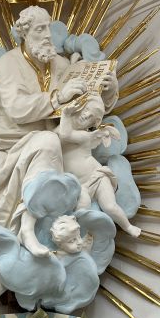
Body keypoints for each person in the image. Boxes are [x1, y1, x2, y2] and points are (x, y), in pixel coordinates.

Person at [0, 5, 118, 255]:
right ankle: (18, 237)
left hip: (50, 140)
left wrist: (108, 91)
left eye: (48, 27)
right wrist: (57, 98)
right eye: (39, 29)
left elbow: (85, 107)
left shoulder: (61, 63)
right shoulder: (9, 62)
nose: (47, 35)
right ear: (25, 34)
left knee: (48, 142)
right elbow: (15, 108)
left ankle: (34, 229)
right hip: (5, 142)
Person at [57, 93, 141, 237]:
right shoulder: (59, 128)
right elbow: (60, 133)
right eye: (86, 110)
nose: (86, 115)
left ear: (93, 124)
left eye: (91, 117)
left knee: (110, 206)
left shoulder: (84, 135)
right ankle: (79, 237)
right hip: (79, 185)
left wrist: (65, 113)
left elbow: (65, 135)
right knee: (81, 209)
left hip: (97, 176)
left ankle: (128, 226)